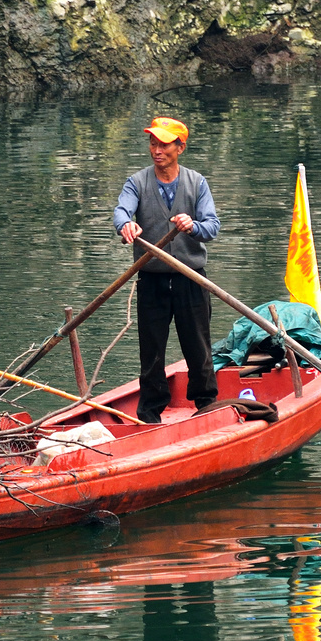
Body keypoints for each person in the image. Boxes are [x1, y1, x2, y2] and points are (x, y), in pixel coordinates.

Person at [113, 116, 220, 421]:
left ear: (180, 147)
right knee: (151, 348)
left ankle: (206, 404)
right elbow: (122, 210)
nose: (157, 150)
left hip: (191, 278)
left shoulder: (196, 182)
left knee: (197, 346)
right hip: (152, 279)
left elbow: (212, 226)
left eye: (164, 144)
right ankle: (150, 411)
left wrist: (193, 226)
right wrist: (127, 225)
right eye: (153, 143)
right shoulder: (137, 182)